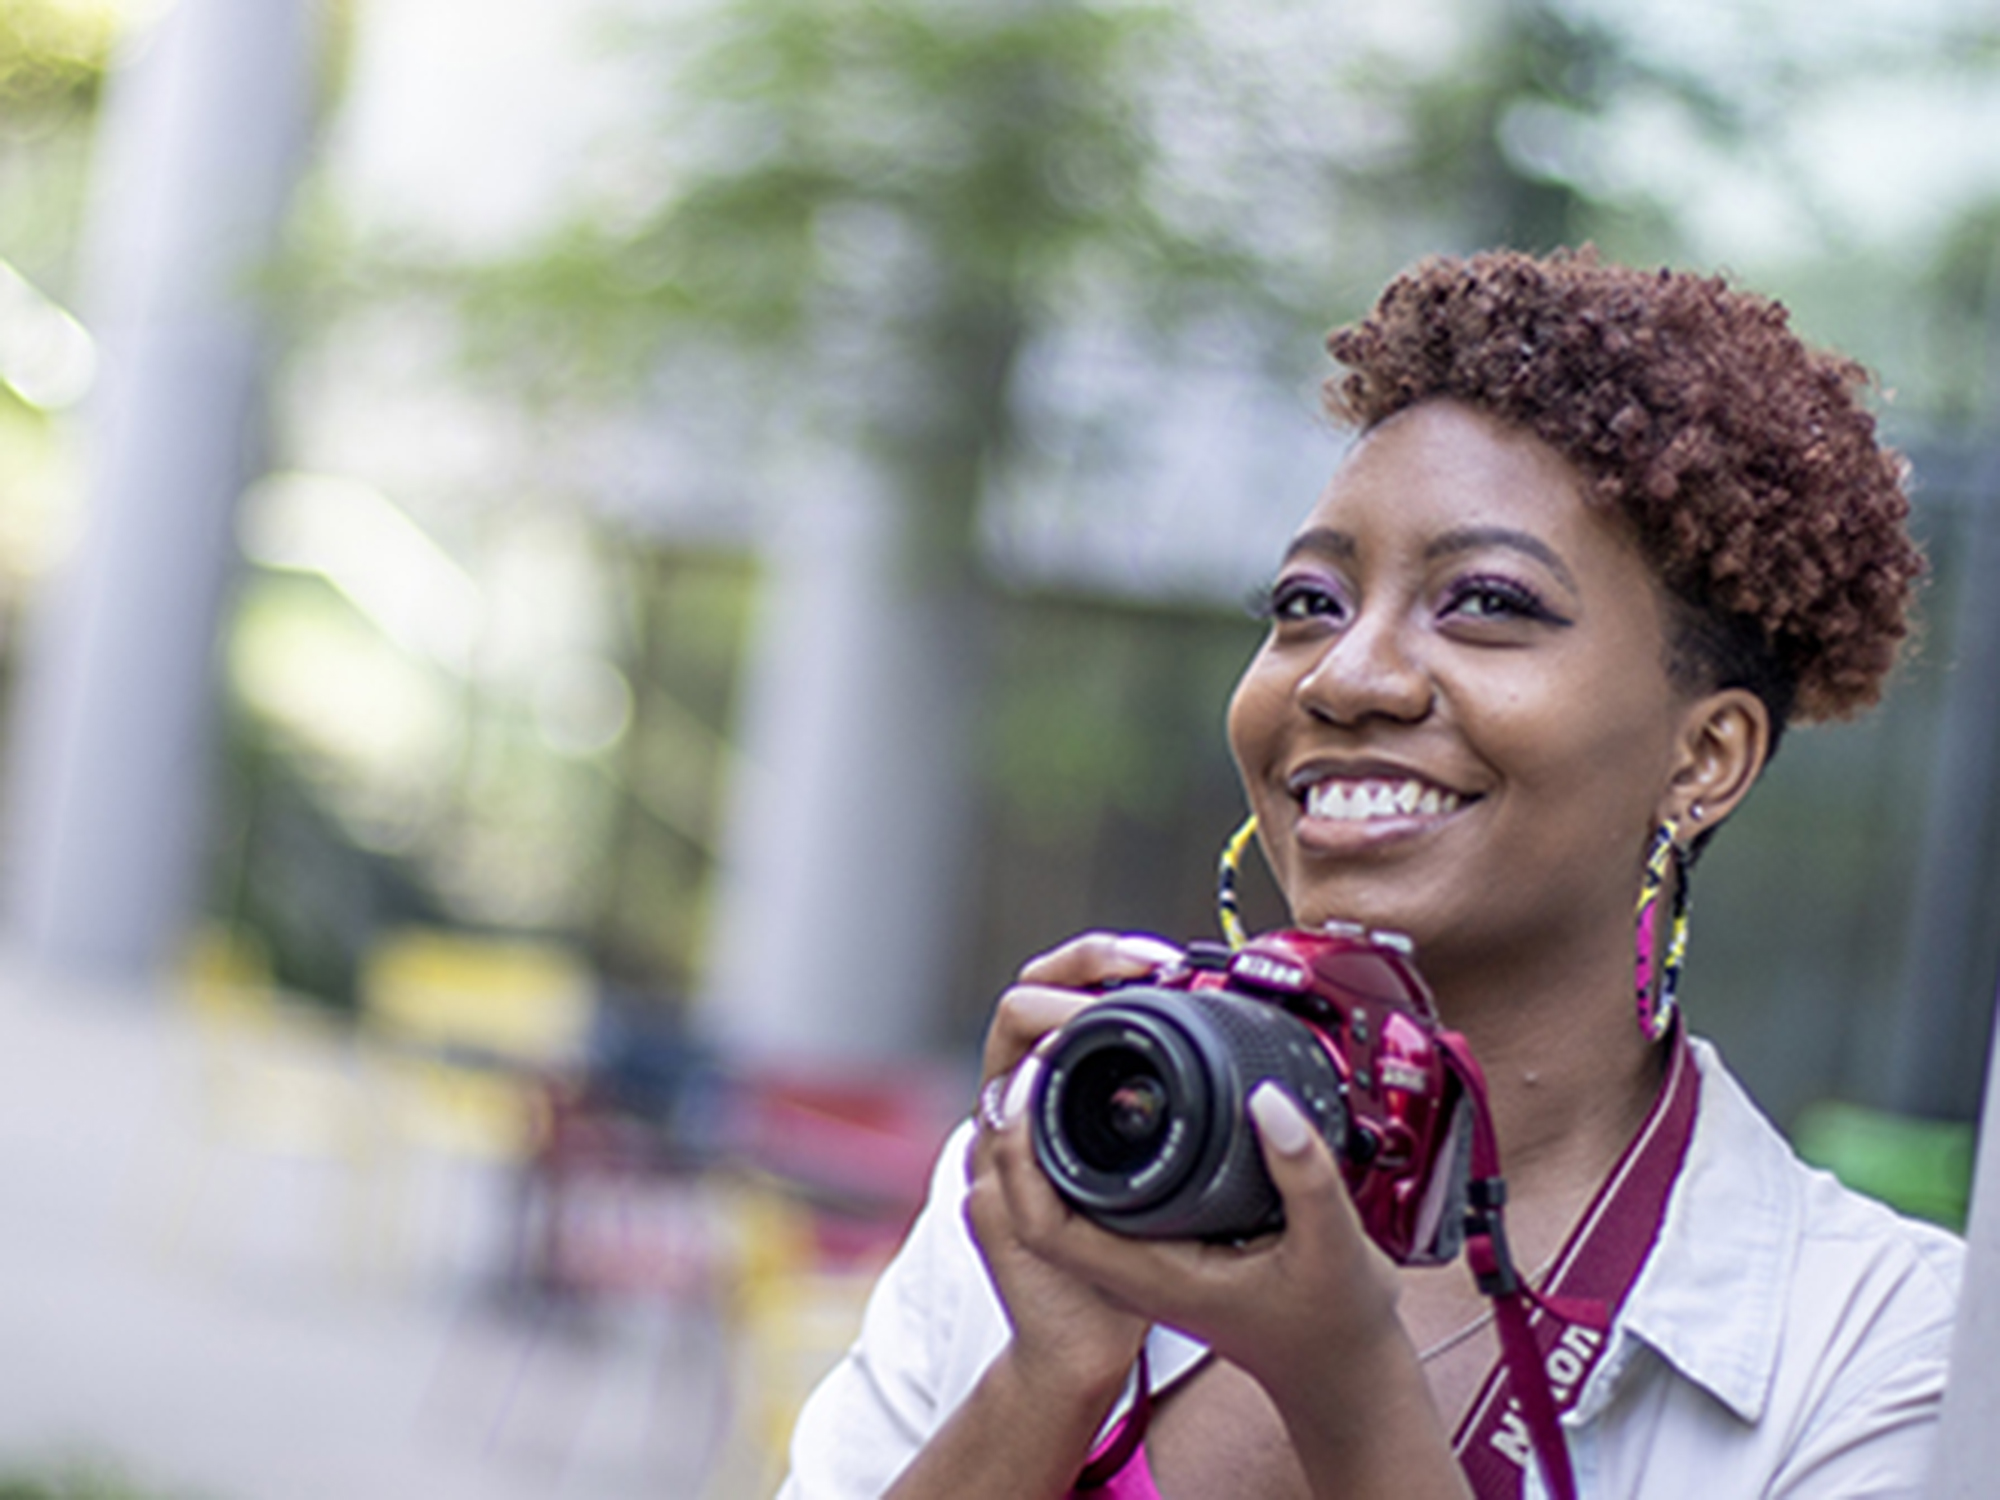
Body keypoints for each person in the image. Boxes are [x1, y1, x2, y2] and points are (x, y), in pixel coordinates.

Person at [777, 248, 1962, 1499]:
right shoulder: (1067, 1168)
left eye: (1485, 602)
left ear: (1705, 755)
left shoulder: (1876, 1352)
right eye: (1306, 600)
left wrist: (1348, 1394)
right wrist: (1048, 1367)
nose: (1343, 676)